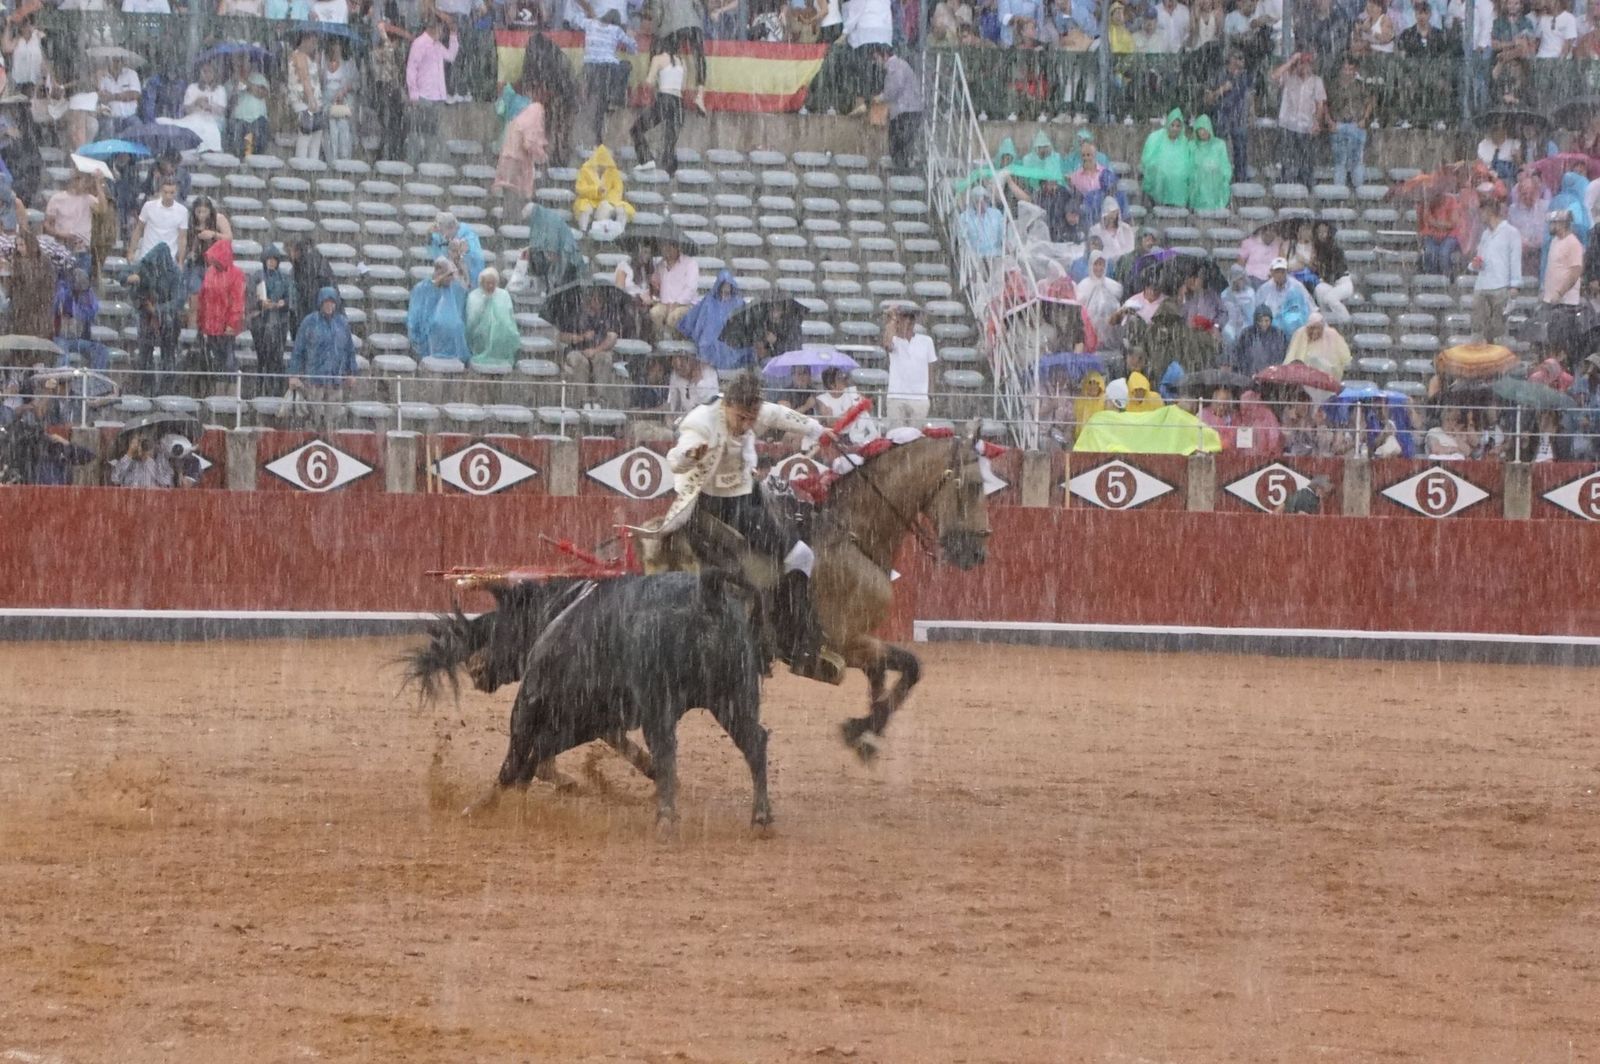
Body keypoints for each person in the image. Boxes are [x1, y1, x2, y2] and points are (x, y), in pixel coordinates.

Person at [665, 370, 833, 679]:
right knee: (798, 557)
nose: (745, 426)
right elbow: (674, 459)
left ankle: (790, 635)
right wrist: (690, 454)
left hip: (747, 494)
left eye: (750, 419)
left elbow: (781, 414)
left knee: (800, 551)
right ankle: (799, 640)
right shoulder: (700, 422)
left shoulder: (754, 410)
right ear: (727, 404)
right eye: (740, 418)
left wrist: (819, 429)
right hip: (713, 502)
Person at [288, 287, 358, 430]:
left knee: (333, 421)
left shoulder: (342, 323)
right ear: (320, 303)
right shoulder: (309, 322)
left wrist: (351, 372)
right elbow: (298, 350)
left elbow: (349, 350)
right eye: (326, 302)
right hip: (314, 381)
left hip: (335, 381)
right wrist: (293, 374)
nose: (329, 305)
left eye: (332, 302)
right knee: (313, 419)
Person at [126, 242, 186, 393]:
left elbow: (178, 301)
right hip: (146, 317)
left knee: (168, 355)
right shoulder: (146, 268)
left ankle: (167, 390)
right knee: (144, 355)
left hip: (169, 321)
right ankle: (146, 388)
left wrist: (158, 310)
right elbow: (125, 276)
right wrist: (131, 278)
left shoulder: (175, 274)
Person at [576, 8, 636, 148]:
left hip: (589, 67)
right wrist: (630, 37)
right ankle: (615, 99)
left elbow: (576, 19)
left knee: (594, 104)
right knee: (626, 65)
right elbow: (633, 48)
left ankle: (594, 135)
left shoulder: (590, 24)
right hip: (606, 69)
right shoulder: (615, 30)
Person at [406, 20, 458, 165]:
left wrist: (453, 37)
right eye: (441, 29)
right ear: (433, 28)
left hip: (437, 96)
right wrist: (413, 93)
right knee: (417, 132)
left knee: (432, 134)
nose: (442, 33)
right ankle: (413, 164)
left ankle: (429, 165)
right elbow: (411, 68)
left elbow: (451, 56)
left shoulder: (438, 45)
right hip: (423, 96)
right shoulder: (419, 43)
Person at [1270, 51, 1326, 189]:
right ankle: (1286, 187)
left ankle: (1306, 188)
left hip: (1306, 127)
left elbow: (1320, 104)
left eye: (1307, 64)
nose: (1304, 67)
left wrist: (1317, 123)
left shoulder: (1317, 81)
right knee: (1287, 160)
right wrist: (1291, 61)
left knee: (1306, 162)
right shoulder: (1289, 77)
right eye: (1301, 64)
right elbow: (1274, 76)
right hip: (1288, 125)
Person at [559, 287, 622, 407]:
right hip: (577, 350)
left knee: (604, 359)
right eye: (595, 298)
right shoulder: (575, 314)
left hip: (599, 350)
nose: (598, 302)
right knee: (580, 361)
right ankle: (582, 400)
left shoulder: (607, 316)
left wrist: (595, 350)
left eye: (600, 299)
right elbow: (561, 336)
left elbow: (612, 337)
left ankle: (600, 400)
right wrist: (581, 337)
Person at [1470, 195, 1521, 344]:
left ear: (1488, 211)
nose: (1480, 216)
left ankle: (1496, 364)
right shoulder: (1485, 234)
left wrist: (1515, 285)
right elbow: (1480, 257)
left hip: (1500, 287)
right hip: (1482, 286)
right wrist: (1475, 264)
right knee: (1478, 328)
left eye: (1481, 212)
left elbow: (1515, 259)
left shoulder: (1511, 232)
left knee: (1497, 331)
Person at [677, 269, 752, 370]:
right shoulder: (709, 301)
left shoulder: (738, 302)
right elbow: (698, 316)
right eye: (724, 284)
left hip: (731, 339)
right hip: (710, 339)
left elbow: (745, 323)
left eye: (728, 285)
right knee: (708, 344)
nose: (726, 287)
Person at [193, 239, 245, 380]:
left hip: (226, 328)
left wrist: (232, 323)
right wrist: (200, 322)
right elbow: (203, 298)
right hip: (210, 326)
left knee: (228, 362)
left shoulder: (236, 274)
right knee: (216, 362)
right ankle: (218, 390)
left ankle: (230, 391)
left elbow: (237, 301)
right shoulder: (210, 272)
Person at [631, 43, 685, 176]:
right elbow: (682, 87)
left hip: (664, 100)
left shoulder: (658, 59)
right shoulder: (682, 61)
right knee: (670, 142)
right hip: (678, 103)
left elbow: (649, 81)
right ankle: (670, 174)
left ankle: (646, 160)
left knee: (636, 129)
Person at [883, 306, 937, 428]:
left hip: (919, 397)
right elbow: (887, 345)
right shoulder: (894, 340)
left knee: (916, 438)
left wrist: (930, 391)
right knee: (896, 436)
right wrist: (892, 319)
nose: (907, 322)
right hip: (896, 396)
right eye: (903, 319)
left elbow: (931, 367)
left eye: (910, 319)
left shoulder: (926, 341)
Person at [407, 257, 471, 362]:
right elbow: (415, 320)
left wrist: (462, 267)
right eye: (449, 275)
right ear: (438, 271)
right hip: (429, 340)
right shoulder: (422, 288)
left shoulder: (454, 288)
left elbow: (465, 289)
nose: (452, 278)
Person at [249, 245, 293, 390]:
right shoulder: (257, 276)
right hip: (260, 322)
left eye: (274, 260)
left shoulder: (284, 278)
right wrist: (260, 303)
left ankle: (276, 387)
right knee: (262, 356)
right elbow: (249, 297)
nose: (271, 262)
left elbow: (291, 298)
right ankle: (261, 386)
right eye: (268, 259)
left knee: (277, 357)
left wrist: (283, 303)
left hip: (279, 322)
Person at [1204, 50, 1252, 181]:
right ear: (1230, 59)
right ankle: (1219, 178)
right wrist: (1222, 89)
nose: (1239, 62)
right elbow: (1207, 99)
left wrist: (1251, 114)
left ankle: (1240, 180)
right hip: (1221, 117)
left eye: (1241, 59)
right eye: (1236, 58)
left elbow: (1249, 96)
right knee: (1220, 149)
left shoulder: (1245, 76)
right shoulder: (1218, 75)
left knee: (1241, 153)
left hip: (1239, 119)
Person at [1327, 57, 1374, 190]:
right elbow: (1325, 103)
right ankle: (1338, 191)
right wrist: (1330, 121)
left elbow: (1370, 102)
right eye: (1345, 69)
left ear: (1355, 70)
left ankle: (1360, 190)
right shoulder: (1333, 85)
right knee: (1339, 162)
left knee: (1357, 161)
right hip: (1338, 125)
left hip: (1356, 125)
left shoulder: (1361, 85)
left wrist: (1364, 119)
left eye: (1350, 69)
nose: (1347, 72)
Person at [876, 48, 922, 173]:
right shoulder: (901, 65)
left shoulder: (895, 67)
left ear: (884, 55)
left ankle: (901, 172)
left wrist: (879, 98)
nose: (877, 62)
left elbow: (892, 91)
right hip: (911, 110)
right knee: (903, 144)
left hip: (905, 111)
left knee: (898, 144)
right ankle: (903, 169)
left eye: (877, 58)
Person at [573, 145, 635, 235]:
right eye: (600, 164)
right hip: (589, 199)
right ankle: (583, 231)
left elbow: (618, 189)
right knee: (584, 209)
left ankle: (618, 231)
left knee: (622, 209)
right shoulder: (585, 170)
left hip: (609, 200)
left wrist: (607, 199)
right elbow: (580, 189)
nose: (603, 167)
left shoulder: (613, 171)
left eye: (605, 164)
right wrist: (596, 190)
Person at [465, 266, 519, 369]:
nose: (490, 286)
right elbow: (471, 320)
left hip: (502, 331)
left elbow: (509, 316)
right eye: (488, 283)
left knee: (506, 332)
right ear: (481, 283)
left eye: (493, 283)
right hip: (479, 332)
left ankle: (501, 355)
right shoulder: (474, 296)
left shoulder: (503, 295)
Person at [44, 171, 97, 275]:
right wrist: (61, 234)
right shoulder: (57, 199)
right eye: (83, 180)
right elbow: (47, 225)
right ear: (75, 181)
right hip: (61, 249)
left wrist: (99, 183)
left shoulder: (90, 199)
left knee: (82, 282)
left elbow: (103, 210)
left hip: (82, 250)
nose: (87, 183)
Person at [527, 203, 586, 294]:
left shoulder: (546, 222)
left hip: (567, 261)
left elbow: (552, 252)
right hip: (567, 260)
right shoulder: (547, 219)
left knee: (561, 289)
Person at [1139, 108, 1192, 208]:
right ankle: (1159, 203)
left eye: (1178, 126)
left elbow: (1186, 161)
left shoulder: (1183, 141)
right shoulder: (1156, 137)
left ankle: (1178, 205)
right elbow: (1148, 158)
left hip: (1178, 173)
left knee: (1180, 176)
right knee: (1162, 175)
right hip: (1159, 171)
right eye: (1172, 125)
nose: (1175, 129)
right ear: (1168, 124)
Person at [128, 177, 187, 264]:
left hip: (168, 259)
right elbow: (138, 230)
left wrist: (181, 262)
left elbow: (182, 238)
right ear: (161, 191)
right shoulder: (148, 206)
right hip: (147, 256)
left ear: (176, 192)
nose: (168, 196)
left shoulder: (182, 211)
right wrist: (131, 251)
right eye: (165, 192)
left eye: (172, 193)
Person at [224, 53, 272, 159]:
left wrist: (246, 83)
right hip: (238, 120)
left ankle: (253, 159)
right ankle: (241, 160)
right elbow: (228, 108)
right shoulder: (229, 83)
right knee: (236, 130)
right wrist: (235, 90)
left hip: (257, 119)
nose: (241, 65)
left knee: (257, 131)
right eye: (238, 63)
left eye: (244, 62)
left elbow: (263, 94)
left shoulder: (259, 78)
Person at [286, 32, 324, 162]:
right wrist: (311, 99)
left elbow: (317, 79)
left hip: (315, 102)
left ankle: (313, 164)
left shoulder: (310, 58)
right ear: (305, 40)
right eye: (313, 42)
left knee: (316, 135)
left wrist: (317, 63)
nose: (314, 46)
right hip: (303, 101)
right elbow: (304, 78)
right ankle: (301, 164)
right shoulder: (299, 56)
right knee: (305, 134)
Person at [178, 61, 227, 155]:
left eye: (210, 72)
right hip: (194, 118)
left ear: (214, 74)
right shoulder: (192, 88)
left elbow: (221, 111)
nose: (207, 74)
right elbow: (187, 110)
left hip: (214, 120)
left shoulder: (220, 89)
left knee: (208, 128)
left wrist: (209, 107)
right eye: (204, 71)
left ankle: (211, 150)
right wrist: (196, 103)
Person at [287, 239, 335, 334]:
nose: (292, 254)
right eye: (289, 251)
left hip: (315, 312)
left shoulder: (315, 264)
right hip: (302, 315)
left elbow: (326, 288)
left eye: (293, 251)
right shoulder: (295, 270)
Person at [1283, 312, 1351, 379]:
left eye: (1318, 328)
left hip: (1326, 378)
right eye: (1311, 328)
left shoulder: (1332, 335)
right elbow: (1291, 358)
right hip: (1302, 378)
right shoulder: (1299, 334)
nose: (1315, 331)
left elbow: (1344, 360)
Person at [1542, 208, 1585, 313]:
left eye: (1553, 223)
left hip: (1566, 302)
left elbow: (1575, 273)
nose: (1550, 226)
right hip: (1552, 300)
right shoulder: (1554, 241)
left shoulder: (1573, 243)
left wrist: (1559, 293)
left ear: (1562, 224)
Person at [320, 40, 356, 163]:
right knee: (331, 127)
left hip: (343, 101)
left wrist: (343, 91)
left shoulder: (348, 64)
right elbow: (319, 85)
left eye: (338, 47)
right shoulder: (323, 64)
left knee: (343, 125)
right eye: (333, 47)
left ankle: (344, 157)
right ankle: (332, 158)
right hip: (327, 101)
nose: (335, 50)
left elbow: (356, 83)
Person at [1310, 220, 1353, 324]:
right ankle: (1326, 322)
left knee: (1330, 298)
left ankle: (1347, 322)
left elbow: (1335, 270)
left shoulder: (1335, 249)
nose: (1322, 235)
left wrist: (1325, 276)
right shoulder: (1317, 250)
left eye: (1324, 232)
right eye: (1319, 232)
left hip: (1343, 282)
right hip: (1331, 285)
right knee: (1319, 289)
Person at [427, 212, 486, 288]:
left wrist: (459, 254)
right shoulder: (441, 235)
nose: (441, 234)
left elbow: (473, 258)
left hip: (468, 275)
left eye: (442, 231)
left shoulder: (468, 236)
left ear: (451, 228)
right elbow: (433, 242)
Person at [1256, 256, 1312, 333]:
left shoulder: (1297, 286)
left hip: (1294, 325)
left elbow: (1309, 306)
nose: (1280, 274)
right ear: (1271, 272)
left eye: (1282, 271)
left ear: (1287, 272)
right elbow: (1257, 309)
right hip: (1271, 326)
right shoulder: (1264, 289)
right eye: (1277, 271)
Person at [1187, 115, 1231, 211]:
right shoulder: (1192, 145)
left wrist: (1224, 177)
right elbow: (1189, 166)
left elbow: (1225, 165)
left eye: (1205, 128)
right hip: (1197, 180)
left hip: (1215, 180)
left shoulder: (1219, 144)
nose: (1203, 132)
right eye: (1200, 129)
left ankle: (1214, 206)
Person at [1230, 304, 1287, 375]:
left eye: (1266, 321)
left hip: (1273, 375)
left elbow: (1283, 355)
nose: (1263, 324)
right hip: (1249, 374)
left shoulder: (1278, 334)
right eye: (1260, 321)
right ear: (1255, 320)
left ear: (1271, 320)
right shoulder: (1247, 334)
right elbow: (1238, 354)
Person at [98, 55, 141, 138]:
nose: (116, 63)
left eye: (119, 60)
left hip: (130, 116)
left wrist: (113, 96)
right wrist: (124, 95)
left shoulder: (131, 74)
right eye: (114, 60)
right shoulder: (103, 76)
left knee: (138, 128)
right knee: (107, 129)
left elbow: (135, 94)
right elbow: (101, 97)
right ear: (108, 62)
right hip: (110, 117)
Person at [958, 188, 1005, 258]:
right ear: (972, 202)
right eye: (977, 201)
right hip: (975, 256)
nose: (982, 204)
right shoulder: (964, 217)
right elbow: (962, 240)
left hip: (996, 254)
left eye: (984, 200)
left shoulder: (996, 214)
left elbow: (1003, 235)